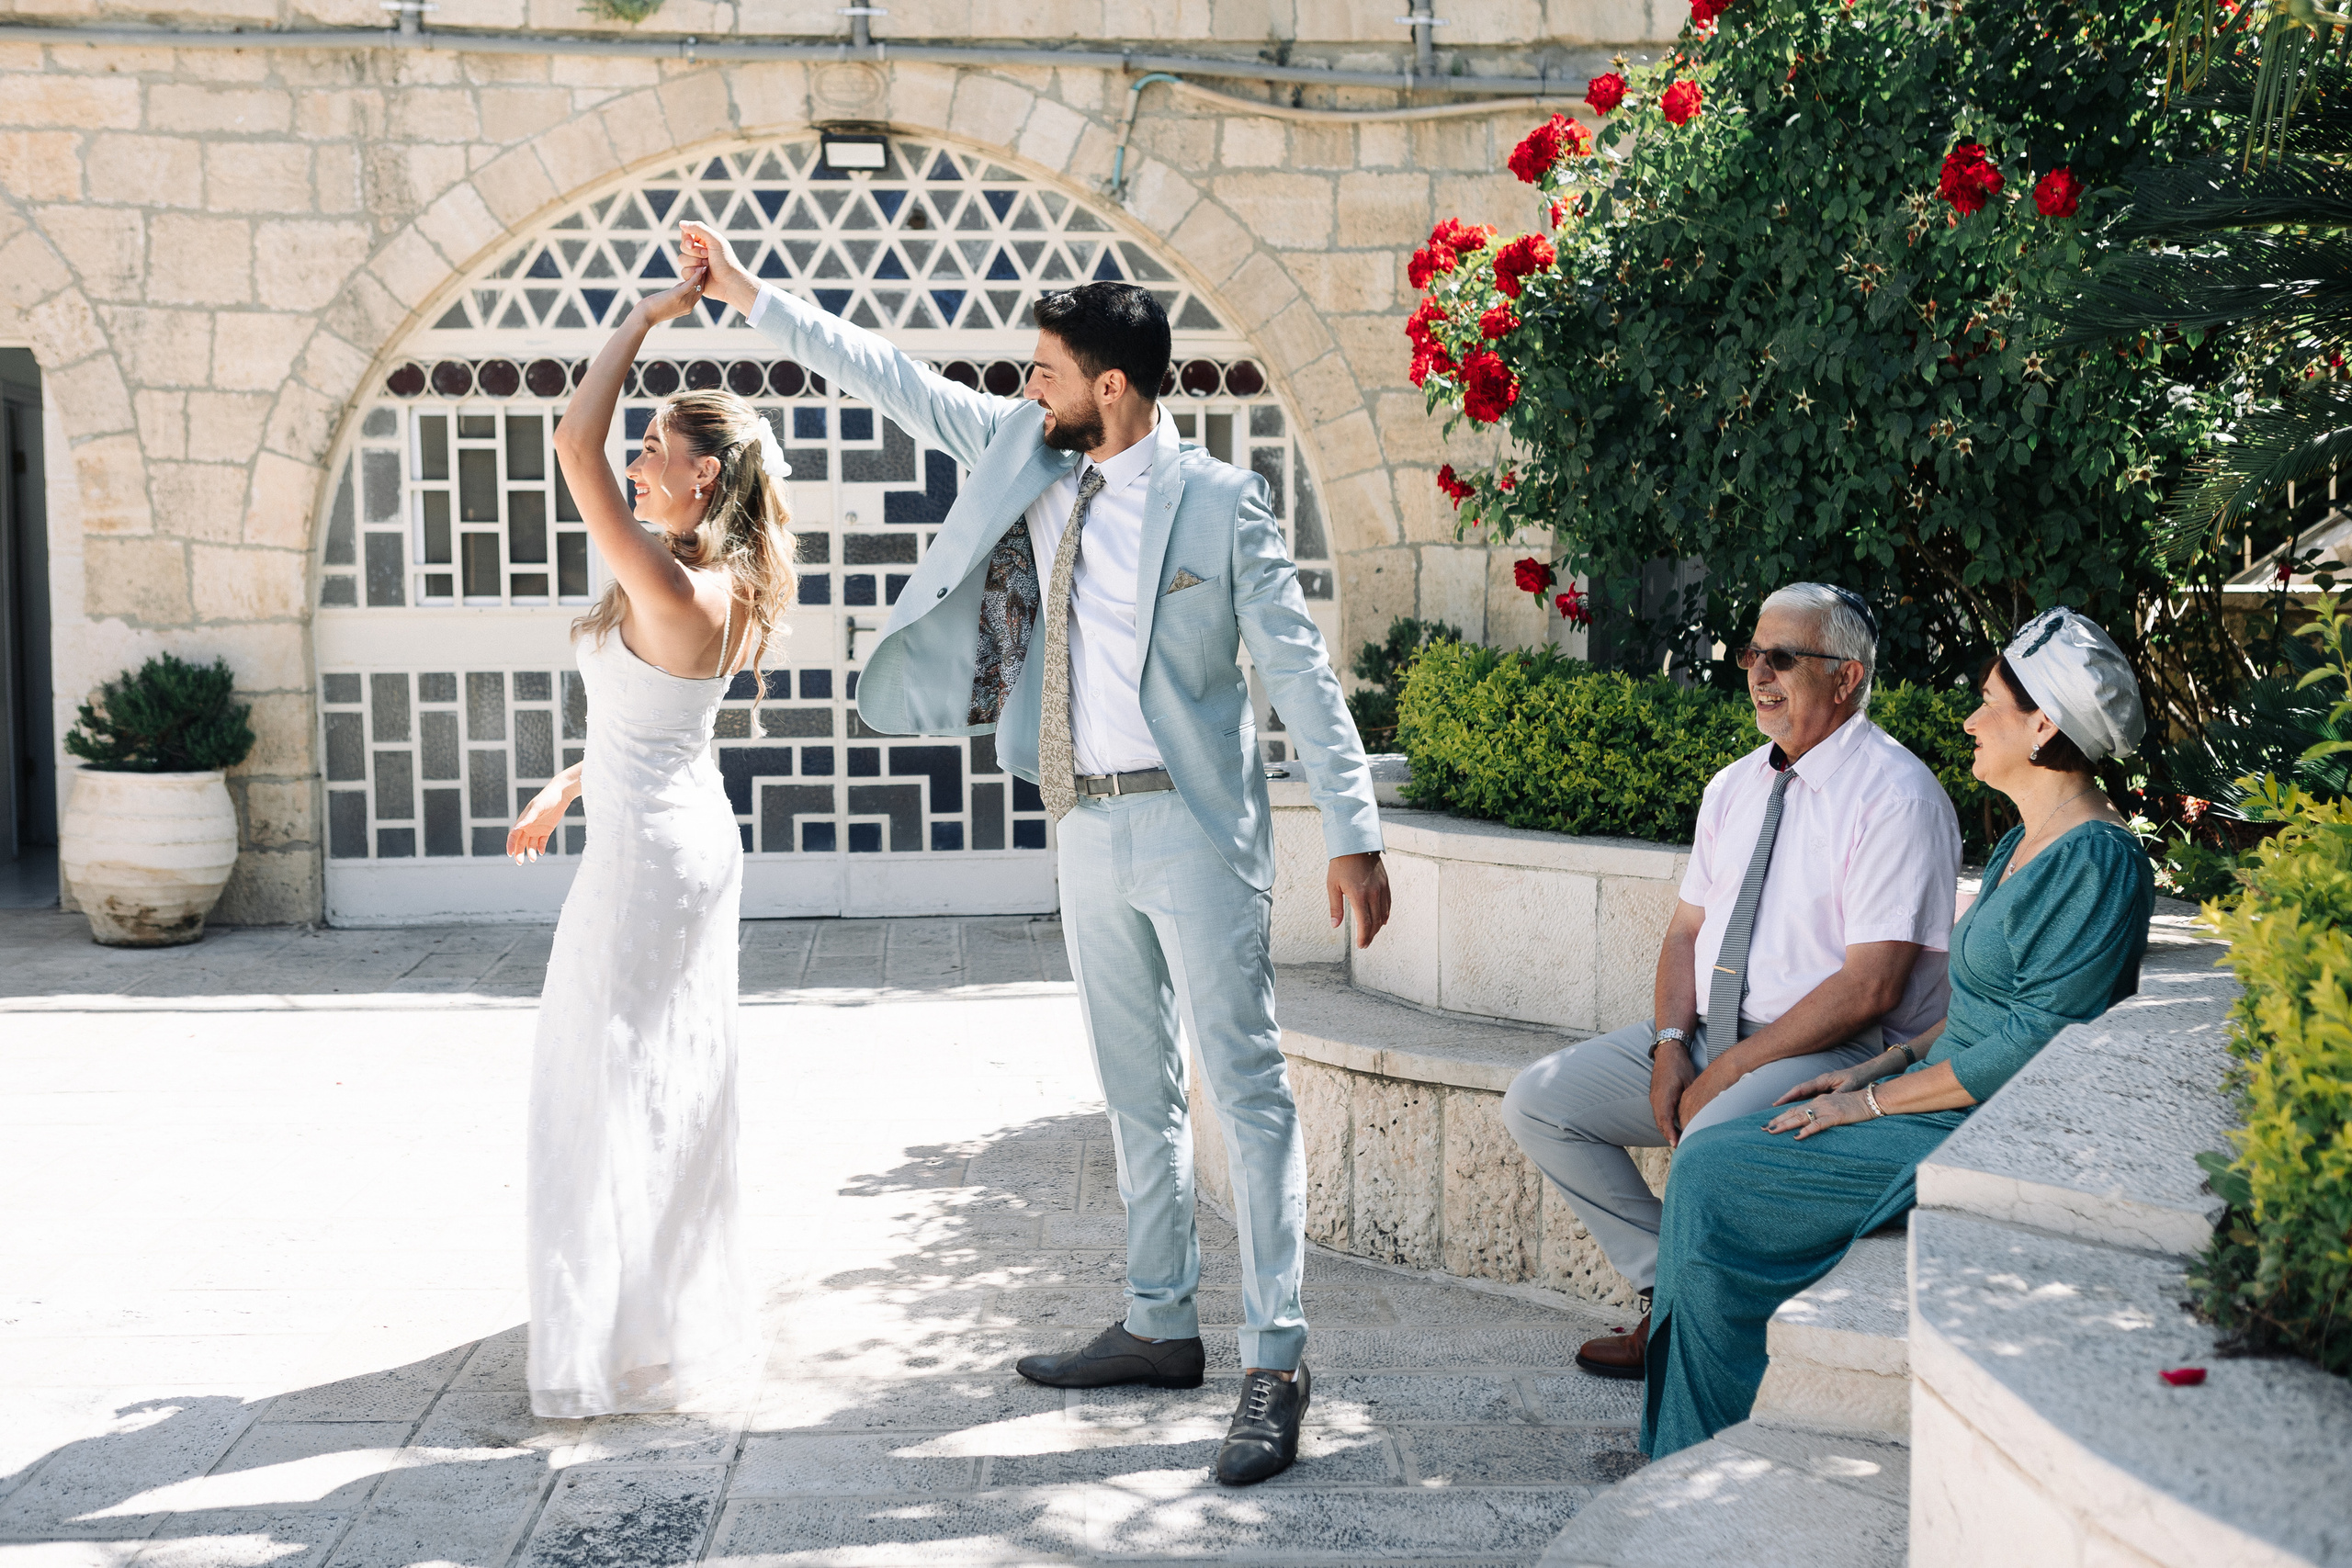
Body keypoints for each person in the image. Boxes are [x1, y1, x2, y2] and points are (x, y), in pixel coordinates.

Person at [677, 220, 1390, 1485]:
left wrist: (1355, 833)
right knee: (1135, 1088)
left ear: (1112, 387)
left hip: (1193, 822)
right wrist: (751, 298)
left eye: (1046, 372)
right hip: (1082, 816)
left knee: (1246, 1082)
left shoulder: (1222, 502)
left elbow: (1298, 670)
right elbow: (893, 376)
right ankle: (1162, 1319)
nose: (1025, 390)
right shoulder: (1029, 454)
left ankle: (1276, 1357)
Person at [1641, 606, 2155, 1458]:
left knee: (1714, 1169)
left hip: (1979, 1127)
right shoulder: (2026, 844)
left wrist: (1873, 1103)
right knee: (1715, 1163)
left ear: (2043, 724)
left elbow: (2033, 1045)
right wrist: (1880, 1063)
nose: (1968, 720)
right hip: (1932, 1094)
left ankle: (1698, 1450)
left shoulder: (2097, 860)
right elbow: (1977, 1009)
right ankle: (1694, 1433)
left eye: (1988, 703)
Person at [1500, 583, 1963, 1379]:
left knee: (1710, 1143)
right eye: (1753, 652)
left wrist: (1726, 1069)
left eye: (1783, 656)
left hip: (1836, 1047)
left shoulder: (1897, 796)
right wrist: (1673, 1045)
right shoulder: (1736, 784)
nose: (1757, 672)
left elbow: (1871, 987)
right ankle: (1670, 1293)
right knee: (1540, 1101)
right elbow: (1685, 932)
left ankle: (1691, 1327)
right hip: (1716, 1030)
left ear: (1846, 677)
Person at [503, 261, 797, 1417]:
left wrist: (641, 318)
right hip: (669, 833)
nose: (631, 464)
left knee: (605, 1079)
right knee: (658, 1076)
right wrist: (573, 781)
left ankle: (626, 1331)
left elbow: (571, 446)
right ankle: (652, 1313)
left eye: (653, 451)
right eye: (639, 454)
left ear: (701, 472)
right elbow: (654, 716)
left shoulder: (684, 586)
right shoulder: (713, 584)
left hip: (650, 865)